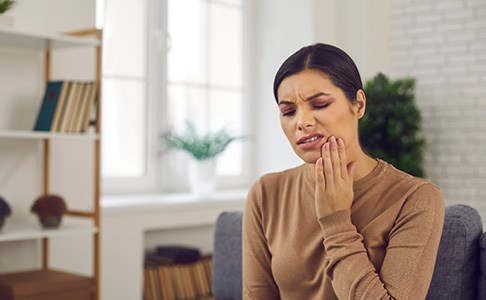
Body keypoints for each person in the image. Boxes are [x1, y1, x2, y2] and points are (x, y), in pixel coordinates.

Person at [242, 43, 445, 299]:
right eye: (288, 111)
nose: (302, 122)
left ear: (358, 105)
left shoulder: (415, 199)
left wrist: (335, 220)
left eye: (320, 104)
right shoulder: (266, 193)